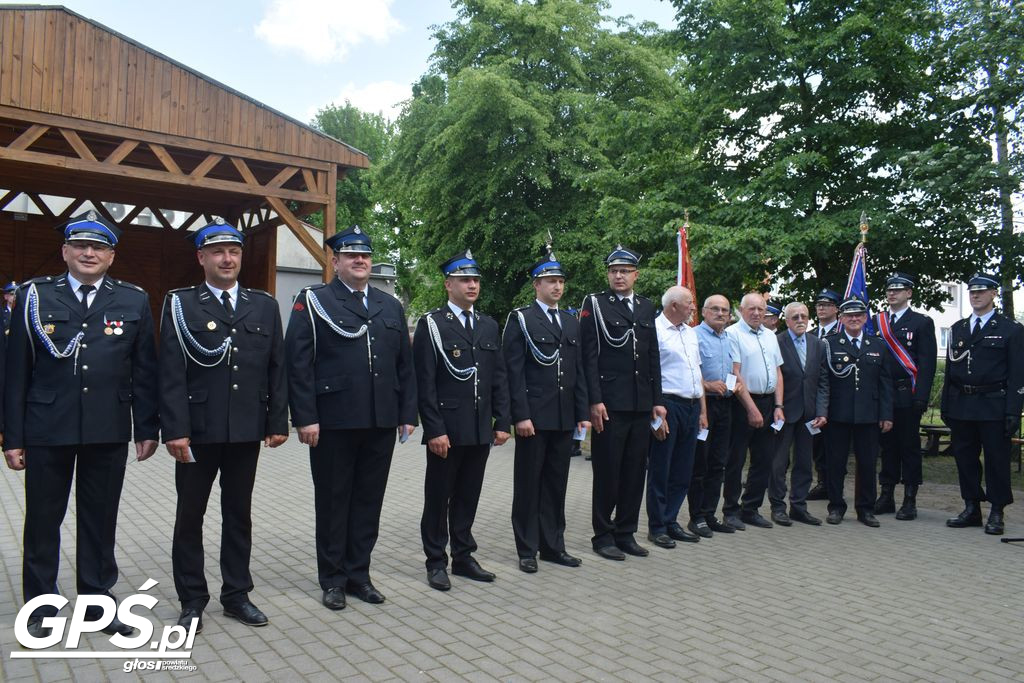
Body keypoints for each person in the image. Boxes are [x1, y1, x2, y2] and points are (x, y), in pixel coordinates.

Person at [4, 212, 159, 639]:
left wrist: (147, 428)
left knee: (99, 519)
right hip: (46, 427)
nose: (89, 253)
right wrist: (12, 437)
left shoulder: (132, 299)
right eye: (80, 246)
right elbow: (16, 371)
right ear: (65, 251)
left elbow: (144, 370)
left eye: (99, 247)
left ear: (111, 255)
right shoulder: (35, 296)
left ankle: (97, 604)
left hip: (107, 428)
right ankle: (41, 607)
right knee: (42, 520)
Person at [160, 219, 289, 632]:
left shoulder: (264, 305)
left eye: (233, 251)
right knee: (190, 516)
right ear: (202, 258)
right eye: (217, 252)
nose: (227, 258)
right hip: (197, 431)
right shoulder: (181, 303)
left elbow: (276, 367)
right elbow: (171, 372)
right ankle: (192, 599)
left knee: (239, 514)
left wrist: (276, 421)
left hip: (245, 429)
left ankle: (237, 594)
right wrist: (175, 429)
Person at [287, 225, 417, 608]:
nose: (360, 260)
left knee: (367, 501)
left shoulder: (388, 304)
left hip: (379, 420)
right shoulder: (314, 300)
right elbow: (298, 364)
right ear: (335, 260)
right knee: (333, 501)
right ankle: (332, 579)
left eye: (365, 255)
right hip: (333, 421)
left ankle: (359, 574)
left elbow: (403, 366)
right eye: (350, 255)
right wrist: (305, 417)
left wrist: (407, 413)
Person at [414, 250, 510, 590]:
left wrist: (502, 422)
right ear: (448, 284)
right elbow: (424, 381)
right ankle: (436, 560)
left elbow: (497, 376)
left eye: (475, 280)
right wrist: (434, 429)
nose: (472, 285)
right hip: (447, 430)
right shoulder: (433, 324)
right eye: (464, 280)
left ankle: (464, 556)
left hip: (479, 427)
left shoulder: (487, 325)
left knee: (469, 495)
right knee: (439, 497)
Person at [502, 249, 588, 573]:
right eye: (551, 281)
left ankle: (553, 546)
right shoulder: (522, 319)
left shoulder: (569, 320)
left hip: (563, 416)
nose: (557, 287)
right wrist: (519, 416)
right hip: (534, 418)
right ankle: (527, 549)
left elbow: (575, 370)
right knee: (528, 484)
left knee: (556, 484)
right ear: (537, 284)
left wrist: (581, 412)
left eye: (561, 281)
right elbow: (513, 371)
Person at [580, 245, 665, 560]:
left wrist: (657, 400)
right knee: (607, 472)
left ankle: (626, 532)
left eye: (625, 271)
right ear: (608, 274)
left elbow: (652, 355)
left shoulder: (645, 307)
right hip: (610, 404)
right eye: (614, 271)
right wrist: (594, 400)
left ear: (635, 275)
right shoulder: (595, 305)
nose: (619, 276)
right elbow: (588, 356)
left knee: (634, 472)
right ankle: (603, 536)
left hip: (641, 403)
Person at [942, 274, 1024, 536]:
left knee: (996, 461)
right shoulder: (959, 328)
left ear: (993, 294)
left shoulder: (1010, 330)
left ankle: (997, 511)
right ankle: (971, 507)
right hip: (962, 404)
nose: (975, 296)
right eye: (972, 292)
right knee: (965, 458)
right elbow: (951, 371)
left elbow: (1018, 374)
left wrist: (1013, 410)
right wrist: (946, 405)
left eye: (981, 291)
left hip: (993, 404)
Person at [821, 296, 893, 526]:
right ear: (841, 318)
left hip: (868, 415)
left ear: (865, 318)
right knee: (835, 463)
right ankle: (836, 507)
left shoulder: (878, 345)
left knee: (868, 463)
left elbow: (885, 384)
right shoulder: (829, 344)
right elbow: (823, 381)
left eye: (858, 315)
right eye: (849, 315)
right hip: (838, 414)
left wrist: (886, 414)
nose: (854, 319)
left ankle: (865, 509)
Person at [646, 286, 706, 548]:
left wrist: (703, 410)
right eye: (689, 303)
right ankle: (657, 526)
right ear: (673, 306)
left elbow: (697, 373)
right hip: (667, 405)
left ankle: (671, 520)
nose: (693, 307)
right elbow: (649, 375)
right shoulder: (655, 331)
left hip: (692, 405)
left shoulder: (690, 333)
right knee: (662, 468)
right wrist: (655, 411)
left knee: (683, 469)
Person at [873, 273, 936, 520]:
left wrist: (921, 396)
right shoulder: (878, 322)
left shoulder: (921, 322)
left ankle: (910, 499)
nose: (892, 293)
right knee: (886, 446)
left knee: (909, 447)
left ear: (909, 293)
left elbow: (928, 363)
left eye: (898, 290)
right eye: (889, 290)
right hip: (882, 394)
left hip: (906, 393)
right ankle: (886, 494)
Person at [722, 292, 785, 530]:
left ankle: (751, 509)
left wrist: (778, 406)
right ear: (741, 309)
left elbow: (778, 373)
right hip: (742, 404)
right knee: (736, 460)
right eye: (752, 309)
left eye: (761, 309)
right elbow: (735, 373)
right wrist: (751, 408)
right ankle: (730, 511)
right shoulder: (733, 334)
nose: (757, 313)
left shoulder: (770, 336)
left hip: (769, 403)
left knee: (763, 459)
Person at [770, 302, 829, 526]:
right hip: (783, 412)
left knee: (804, 462)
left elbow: (823, 381)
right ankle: (778, 506)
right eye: (795, 317)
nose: (800, 320)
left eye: (804, 316)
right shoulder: (776, 342)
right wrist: (777, 407)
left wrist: (822, 411)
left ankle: (799, 506)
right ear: (787, 320)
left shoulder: (818, 344)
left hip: (810, 414)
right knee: (778, 463)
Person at [689, 295, 739, 536]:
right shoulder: (694, 336)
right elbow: (690, 371)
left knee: (719, 463)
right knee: (700, 463)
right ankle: (696, 517)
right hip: (703, 406)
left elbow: (734, 372)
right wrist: (708, 385)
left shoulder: (729, 338)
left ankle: (710, 514)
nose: (721, 314)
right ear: (704, 311)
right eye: (715, 309)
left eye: (725, 310)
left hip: (725, 406)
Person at [807, 288, 842, 501]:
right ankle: (821, 482)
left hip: (836, 398)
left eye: (827, 304)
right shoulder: (810, 335)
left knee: (834, 445)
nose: (821, 308)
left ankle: (832, 483)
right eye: (819, 304)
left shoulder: (841, 333)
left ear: (837, 309)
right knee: (816, 443)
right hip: (813, 399)